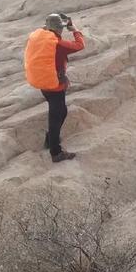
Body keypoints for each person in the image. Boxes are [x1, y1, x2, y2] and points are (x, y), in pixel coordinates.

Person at [24, 13, 85, 163]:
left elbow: (48, 26)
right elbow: (80, 45)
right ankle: (55, 152)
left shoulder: (39, 37)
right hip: (55, 86)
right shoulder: (57, 44)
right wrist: (75, 29)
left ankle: (50, 138)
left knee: (60, 112)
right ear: (59, 29)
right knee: (57, 115)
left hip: (43, 83)